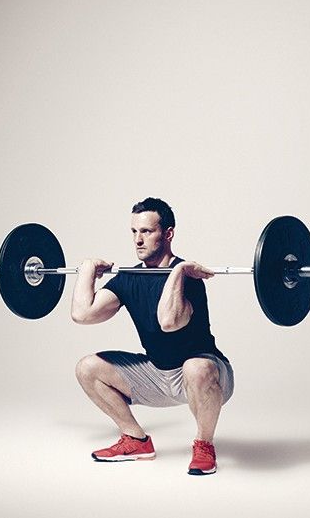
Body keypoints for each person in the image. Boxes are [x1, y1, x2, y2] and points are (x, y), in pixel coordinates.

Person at [70, 197, 234, 476]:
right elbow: (83, 314)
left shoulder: (190, 277)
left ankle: (204, 445)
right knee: (87, 368)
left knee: (195, 367)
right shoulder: (129, 279)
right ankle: (135, 440)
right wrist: (87, 270)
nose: (138, 240)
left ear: (168, 234)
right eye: (134, 231)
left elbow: (169, 322)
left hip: (207, 374)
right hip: (157, 374)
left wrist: (179, 270)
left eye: (146, 231)